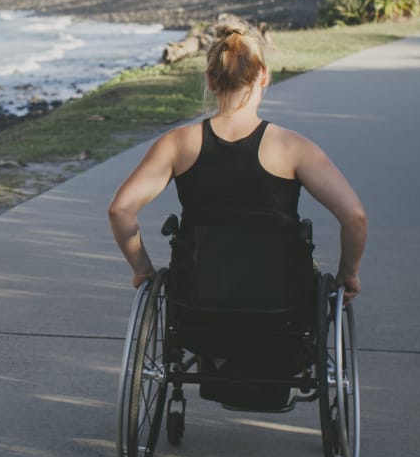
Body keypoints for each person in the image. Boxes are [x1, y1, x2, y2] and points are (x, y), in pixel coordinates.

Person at [107, 19, 367, 303]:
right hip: (282, 302)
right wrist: (348, 274)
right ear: (264, 76)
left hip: (197, 301)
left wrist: (142, 270)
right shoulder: (293, 148)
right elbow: (355, 217)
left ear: (209, 79)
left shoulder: (176, 144)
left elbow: (120, 210)